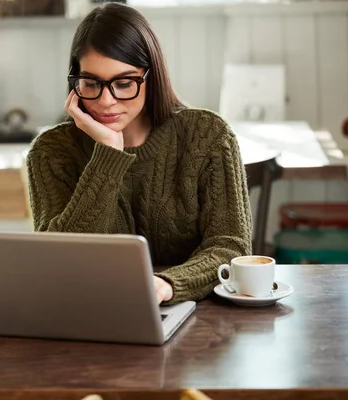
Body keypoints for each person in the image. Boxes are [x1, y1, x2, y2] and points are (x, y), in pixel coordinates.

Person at [25, 2, 252, 305]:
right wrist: (107, 155)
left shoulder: (207, 136)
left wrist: (168, 285)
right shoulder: (52, 152)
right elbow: (58, 262)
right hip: (89, 311)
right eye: (91, 83)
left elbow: (231, 246)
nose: (106, 101)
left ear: (151, 77)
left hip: (196, 316)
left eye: (123, 83)